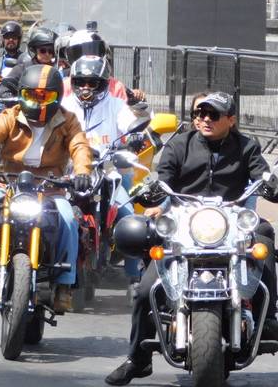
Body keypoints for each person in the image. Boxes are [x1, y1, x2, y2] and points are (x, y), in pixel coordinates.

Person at [105, 91, 278, 385]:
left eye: (213, 114)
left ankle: (269, 316)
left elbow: (261, 174)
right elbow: (163, 177)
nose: (205, 119)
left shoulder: (247, 147)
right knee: (146, 289)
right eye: (200, 113)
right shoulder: (179, 144)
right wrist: (151, 191)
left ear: (231, 119)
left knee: (265, 241)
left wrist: (270, 184)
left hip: (231, 219)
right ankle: (138, 358)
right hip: (184, 222)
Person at [0, 64, 92, 312]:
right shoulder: (11, 116)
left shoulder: (68, 120)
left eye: (45, 97)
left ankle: (64, 285)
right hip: (11, 185)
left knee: (69, 222)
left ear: (57, 97)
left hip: (50, 188)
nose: (38, 102)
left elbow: (80, 146)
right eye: (32, 96)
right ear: (21, 94)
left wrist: (82, 172)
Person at [60, 55, 142, 287]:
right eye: (81, 82)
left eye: (92, 83)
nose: (86, 88)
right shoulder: (64, 106)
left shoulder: (116, 105)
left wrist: (136, 135)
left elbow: (130, 123)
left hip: (107, 170)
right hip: (69, 171)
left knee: (130, 217)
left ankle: (133, 277)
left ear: (104, 84)